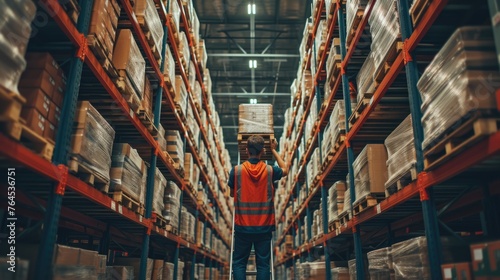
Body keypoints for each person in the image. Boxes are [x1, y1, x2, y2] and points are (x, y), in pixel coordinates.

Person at [228, 135, 288, 280]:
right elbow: (285, 169)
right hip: (264, 226)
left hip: (243, 226)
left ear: (247, 150)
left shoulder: (236, 171)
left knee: (239, 263)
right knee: (263, 265)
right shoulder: (270, 171)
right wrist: (273, 150)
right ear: (262, 152)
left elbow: (231, 194)